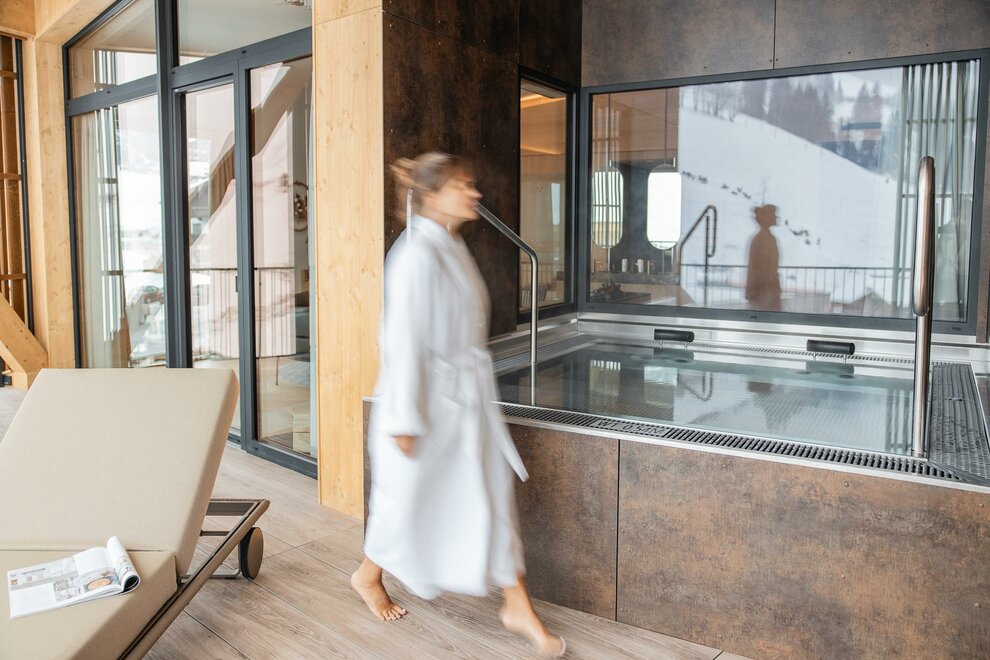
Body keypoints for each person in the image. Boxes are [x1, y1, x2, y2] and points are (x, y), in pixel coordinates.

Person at [351, 152, 566, 657]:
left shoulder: (449, 244)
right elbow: (401, 341)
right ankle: (367, 575)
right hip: (424, 407)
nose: (475, 193)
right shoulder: (415, 255)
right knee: (406, 504)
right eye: (462, 186)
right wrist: (404, 419)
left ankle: (518, 606)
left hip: (463, 402)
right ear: (431, 196)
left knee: (490, 498)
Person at [745, 204, 783, 311]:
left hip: (767, 290)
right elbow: (755, 268)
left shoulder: (766, 238)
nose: (775, 217)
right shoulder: (763, 239)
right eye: (773, 215)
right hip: (764, 291)